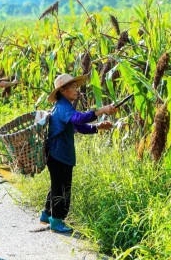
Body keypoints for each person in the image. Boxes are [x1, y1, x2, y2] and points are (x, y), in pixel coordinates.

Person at [40, 73, 118, 233]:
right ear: (62, 90)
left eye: (76, 86)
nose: (77, 90)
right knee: (61, 188)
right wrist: (101, 110)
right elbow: (78, 119)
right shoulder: (62, 107)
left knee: (57, 185)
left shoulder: (65, 106)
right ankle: (56, 222)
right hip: (58, 154)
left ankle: (47, 215)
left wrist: (98, 127)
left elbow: (78, 126)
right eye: (73, 87)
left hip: (58, 154)